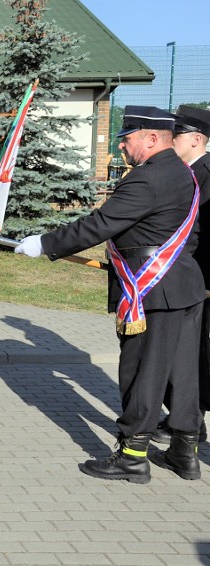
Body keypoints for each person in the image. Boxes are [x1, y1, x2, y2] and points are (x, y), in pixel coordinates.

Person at [15, 106, 205, 483]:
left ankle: (133, 457)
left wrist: (46, 244)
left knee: (142, 373)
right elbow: (191, 234)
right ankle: (185, 453)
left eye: (127, 139)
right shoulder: (183, 173)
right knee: (182, 374)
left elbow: (100, 224)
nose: (122, 148)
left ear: (151, 138)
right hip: (184, 285)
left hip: (151, 290)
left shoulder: (148, 178)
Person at [152, 105, 210, 449]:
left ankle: (191, 422)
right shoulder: (184, 173)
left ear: (197, 139)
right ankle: (184, 419)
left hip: (199, 283)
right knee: (183, 354)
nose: (171, 140)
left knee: (194, 356)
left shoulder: (206, 176)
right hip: (180, 280)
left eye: (178, 135)